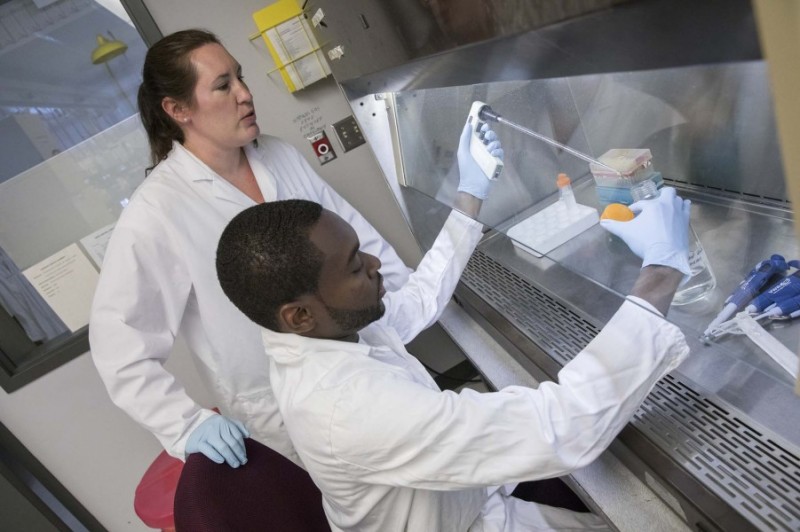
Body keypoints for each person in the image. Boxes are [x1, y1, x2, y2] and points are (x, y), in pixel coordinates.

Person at [215, 177, 692, 530]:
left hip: (472, 508)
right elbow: (562, 427)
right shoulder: (346, 408)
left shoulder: (318, 332)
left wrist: (469, 197)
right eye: (357, 266)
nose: (378, 265)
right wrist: (662, 270)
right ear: (299, 314)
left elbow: (417, 301)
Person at [88, 29, 415, 468]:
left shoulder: (278, 155)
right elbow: (119, 346)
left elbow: (357, 239)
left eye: (240, 77)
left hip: (373, 363)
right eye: (224, 86)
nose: (245, 94)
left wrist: (408, 304)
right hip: (289, 411)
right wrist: (184, 424)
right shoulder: (158, 210)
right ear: (178, 109)